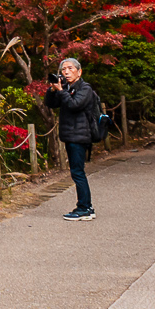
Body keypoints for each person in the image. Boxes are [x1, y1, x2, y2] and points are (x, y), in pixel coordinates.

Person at [45, 57, 101, 221]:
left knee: (78, 172)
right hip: (71, 135)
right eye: (63, 69)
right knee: (77, 172)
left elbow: (74, 105)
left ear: (79, 71)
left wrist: (62, 91)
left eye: (70, 68)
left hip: (80, 136)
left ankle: (84, 208)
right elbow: (51, 104)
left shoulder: (85, 89)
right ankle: (86, 207)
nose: (66, 72)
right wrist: (53, 90)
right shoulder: (66, 88)